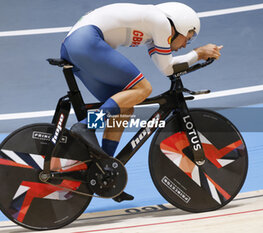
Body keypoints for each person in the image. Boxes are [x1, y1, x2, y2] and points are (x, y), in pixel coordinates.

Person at [58, 2, 223, 202]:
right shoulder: (161, 22)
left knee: (125, 105)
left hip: (75, 45)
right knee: (143, 89)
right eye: (187, 39)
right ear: (178, 27)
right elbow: (168, 69)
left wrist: (192, 56)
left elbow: (167, 64)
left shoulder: (154, 30)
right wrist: (198, 53)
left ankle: (105, 167)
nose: (185, 45)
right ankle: (86, 126)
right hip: (85, 41)